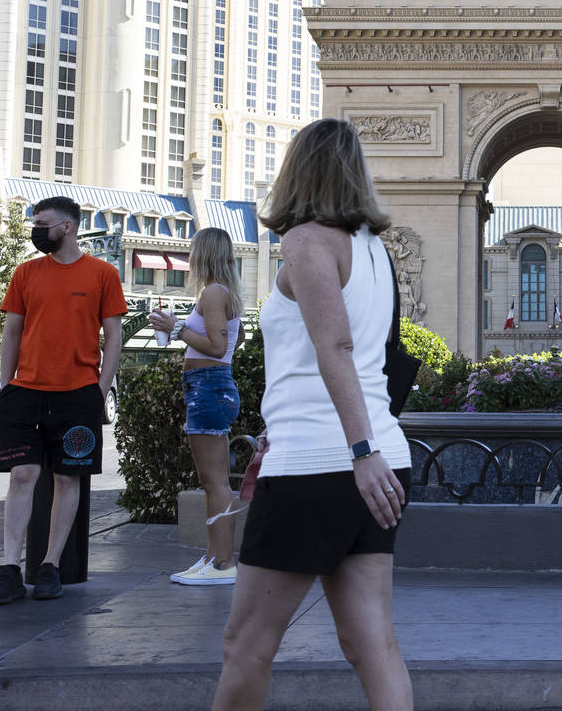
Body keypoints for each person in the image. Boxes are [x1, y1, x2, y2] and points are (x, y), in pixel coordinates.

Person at [210, 119, 412, 711]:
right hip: (378, 462)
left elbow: (335, 346)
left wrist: (358, 451)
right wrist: (368, 453)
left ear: (298, 169)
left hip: (326, 464)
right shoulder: (375, 250)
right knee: (372, 645)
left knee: (245, 644)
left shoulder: (304, 240)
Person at [0, 196, 126, 605]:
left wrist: (100, 389)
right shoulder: (26, 273)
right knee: (21, 476)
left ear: (68, 227)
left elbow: (113, 337)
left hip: (77, 393)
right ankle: (10, 569)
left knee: (67, 478)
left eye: (42, 223)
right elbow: (12, 332)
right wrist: (7, 384)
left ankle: (50, 566)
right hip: (25, 393)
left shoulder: (102, 273)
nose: (36, 230)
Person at [148, 228, 246, 585]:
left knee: (217, 483)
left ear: (202, 253)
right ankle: (212, 558)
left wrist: (176, 330)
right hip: (207, 387)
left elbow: (218, 348)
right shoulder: (220, 292)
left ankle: (223, 564)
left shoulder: (214, 292)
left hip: (209, 386)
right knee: (211, 482)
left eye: (192, 250)